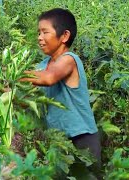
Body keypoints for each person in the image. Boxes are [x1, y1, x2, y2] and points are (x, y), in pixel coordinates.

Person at [19, 8, 101, 178]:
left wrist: (11, 74)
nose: (39, 37)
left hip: (82, 138)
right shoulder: (42, 65)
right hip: (58, 140)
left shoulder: (69, 60)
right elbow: (30, 95)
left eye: (45, 32)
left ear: (64, 36)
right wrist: (1, 86)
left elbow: (48, 78)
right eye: (38, 32)